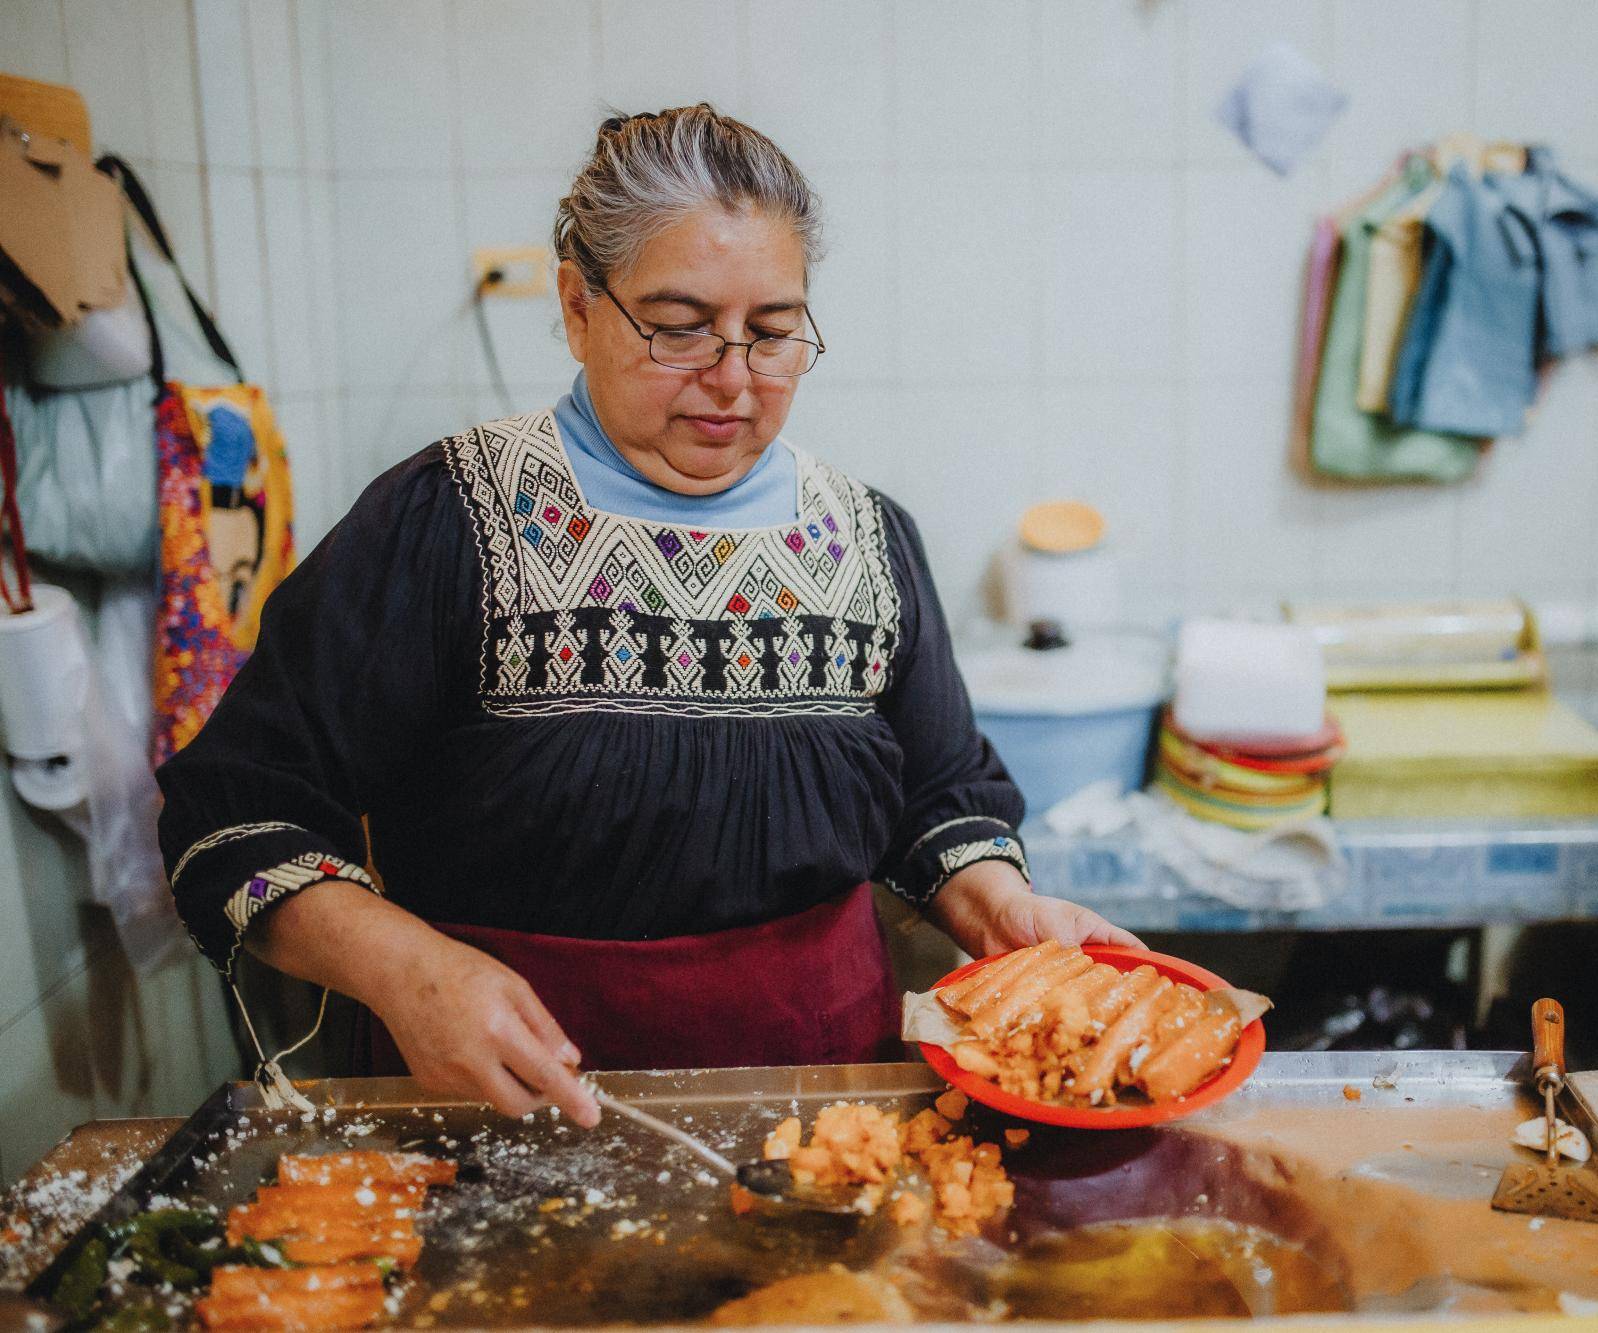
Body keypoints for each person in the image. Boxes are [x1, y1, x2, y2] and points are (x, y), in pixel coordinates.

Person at [157, 105, 1137, 1129]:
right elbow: (231, 814)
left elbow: (939, 793)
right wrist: (407, 970)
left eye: (770, 334)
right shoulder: (449, 522)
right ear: (579, 305)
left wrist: (999, 902)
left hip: (825, 1109)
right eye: (676, 327)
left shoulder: (864, 538)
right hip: (501, 1110)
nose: (730, 379)